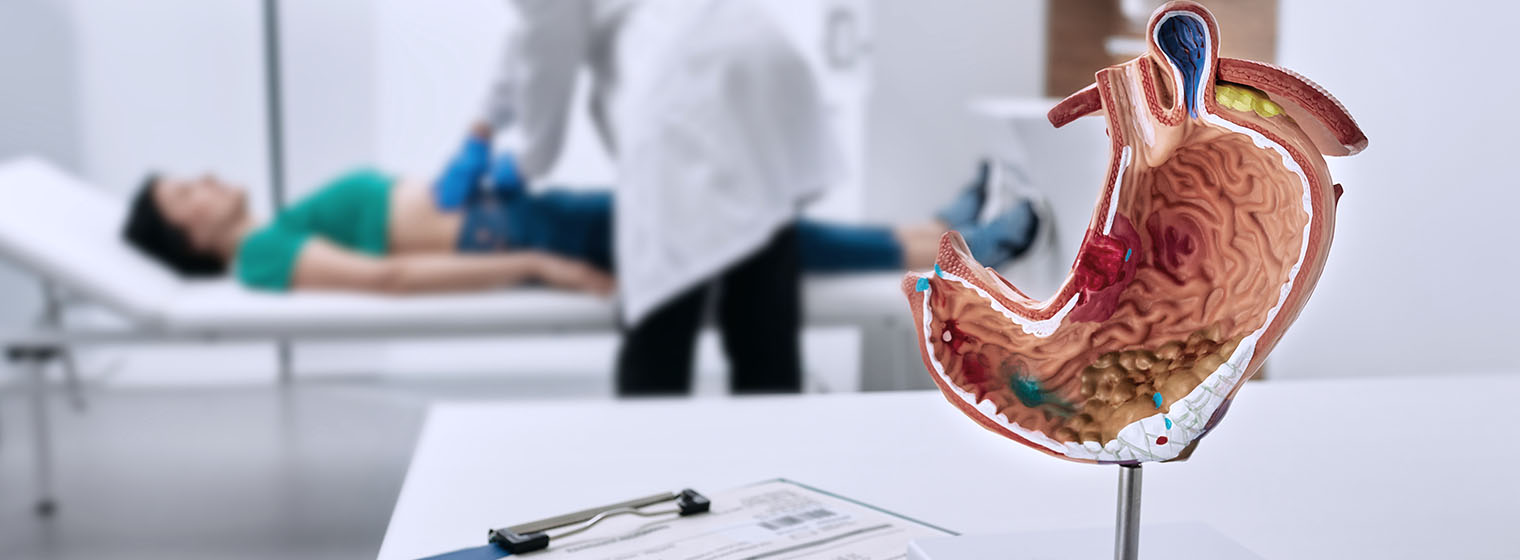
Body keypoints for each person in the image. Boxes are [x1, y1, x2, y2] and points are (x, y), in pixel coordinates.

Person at [461, 0, 844, 395]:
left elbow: (547, 46)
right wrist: (483, 125)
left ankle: (646, 453)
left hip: (682, 81)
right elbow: (534, 33)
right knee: (764, 277)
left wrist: (527, 162)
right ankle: (777, 447)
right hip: (752, 46)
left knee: (661, 324)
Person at [121, 157, 1041, 298]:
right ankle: (965, 253)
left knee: (746, 226)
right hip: (524, 236)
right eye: (181, 198)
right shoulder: (259, 252)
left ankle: (935, 231)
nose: (200, 182)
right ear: (190, 239)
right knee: (755, 240)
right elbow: (386, 278)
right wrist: (535, 262)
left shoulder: (268, 227)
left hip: (519, 213)